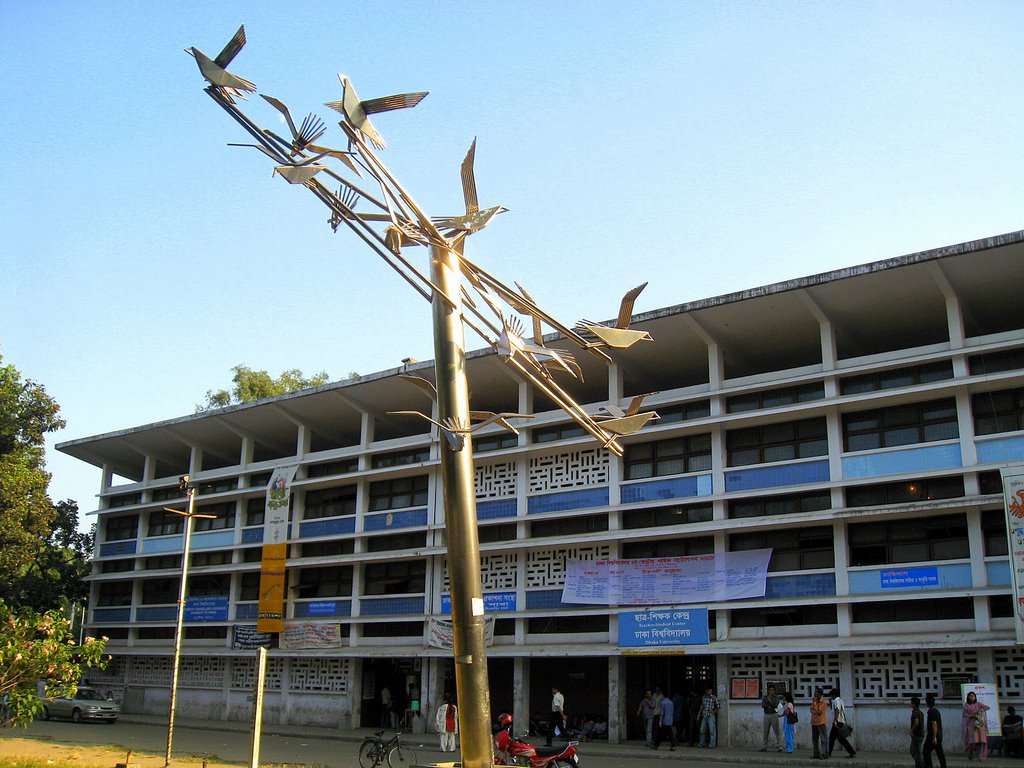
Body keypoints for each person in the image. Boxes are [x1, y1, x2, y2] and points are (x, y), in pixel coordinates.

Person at [828, 687, 856, 758]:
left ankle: (828, 753)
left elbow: (837, 710)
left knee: (832, 738)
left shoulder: (836, 700)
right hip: (840, 721)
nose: (831, 697)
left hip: (838, 722)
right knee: (841, 739)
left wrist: (835, 721)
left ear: (833, 695)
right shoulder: (839, 700)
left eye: (831, 695)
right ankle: (851, 752)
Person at [961, 690, 989, 761]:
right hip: (971, 724)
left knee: (981, 740)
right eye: (970, 696)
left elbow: (987, 707)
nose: (972, 697)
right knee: (972, 741)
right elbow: (965, 715)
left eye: (973, 696)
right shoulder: (966, 705)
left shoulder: (978, 704)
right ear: (968, 697)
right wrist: (973, 715)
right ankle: (970, 754)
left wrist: (980, 710)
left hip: (979, 724)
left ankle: (981, 756)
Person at [924, 692, 947, 768]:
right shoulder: (936, 711)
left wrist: (934, 737)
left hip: (933, 736)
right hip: (938, 735)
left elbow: (934, 724)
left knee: (926, 751)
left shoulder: (932, 711)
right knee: (939, 752)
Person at [760, 684, 783, 752]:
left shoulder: (776, 697)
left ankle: (780, 746)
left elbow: (776, 705)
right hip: (766, 714)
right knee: (765, 731)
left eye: (772, 690)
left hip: (774, 714)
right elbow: (763, 705)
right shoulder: (765, 697)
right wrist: (768, 701)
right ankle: (764, 746)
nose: (771, 692)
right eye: (770, 690)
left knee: (777, 731)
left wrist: (770, 701)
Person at [810, 687, 829, 760]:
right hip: (814, 722)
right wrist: (814, 707)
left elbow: (819, 712)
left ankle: (825, 753)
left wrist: (814, 704)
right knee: (815, 739)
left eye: (816, 692)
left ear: (820, 694)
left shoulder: (823, 702)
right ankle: (816, 753)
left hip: (821, 722)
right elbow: (811, 710)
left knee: (823, 739)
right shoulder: (814, 701)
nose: (815, 694)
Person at [910, 696, 925, 768]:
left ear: (914, 704)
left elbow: (916, 722)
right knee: (917, 751)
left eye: (911, 703)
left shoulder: (915, 712)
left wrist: (911, 730)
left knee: (914, 751)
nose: (910, 704)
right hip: (921, 734)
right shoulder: (920, 712)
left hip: (916, 735)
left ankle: (921, 764)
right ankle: (919, 764)